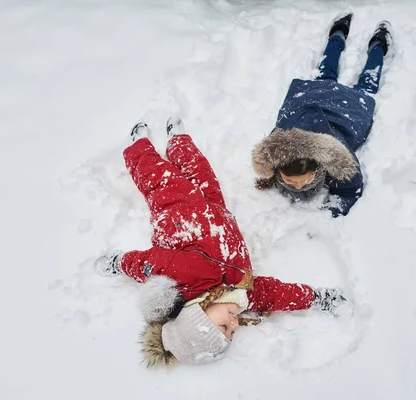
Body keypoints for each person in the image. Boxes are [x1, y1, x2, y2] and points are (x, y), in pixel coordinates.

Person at [96, 117, 348, 367]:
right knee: (200, 170)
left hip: (176, 207)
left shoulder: (184, 281)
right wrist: (317, 298)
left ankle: (141, 145)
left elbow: (146, 263)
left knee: (155, 175)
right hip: (215, 209)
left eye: (223, 326)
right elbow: (275, 295)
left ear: (198, 314)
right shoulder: (245, 295)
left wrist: (118, 263)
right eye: (231, 332)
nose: (234, 325)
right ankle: (178, 141)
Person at [252, 13, 393, 217]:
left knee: (366, 85)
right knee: (324, 74)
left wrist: (331, 212)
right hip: (314, 98)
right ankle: (338, 34)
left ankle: (378, 44)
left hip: (347, 111)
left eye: (305, 180)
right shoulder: (276, 150)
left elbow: (349, 189)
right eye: (291, 181)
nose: (299, 187)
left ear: (319, 164)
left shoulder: (337, 157)